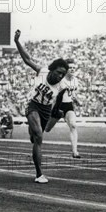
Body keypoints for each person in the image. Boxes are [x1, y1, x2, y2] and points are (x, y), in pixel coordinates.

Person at [14, 29, 70, 183]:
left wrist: (57, 114)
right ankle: (39, 174)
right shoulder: (42, 71)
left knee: (35, 137)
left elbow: (57, 105)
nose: (59, 77)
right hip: (33, 105)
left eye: (63, 75)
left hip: (45, 110)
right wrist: (17, 41)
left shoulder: (62, 86)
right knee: (39, 136)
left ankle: (32, 131)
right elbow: (27, 59)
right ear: (52, 69)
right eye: (58, 72)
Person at [45, 58, 82, 158]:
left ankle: (75, 151)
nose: (73, 70)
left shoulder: (75, 80)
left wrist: (76, 100)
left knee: (73, 125)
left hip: (68, 105)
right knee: (47, 129)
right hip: (58, 106)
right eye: (70, 68)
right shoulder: (60, 80)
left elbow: (72, 93)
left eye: (74, 68)